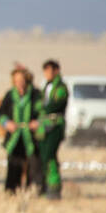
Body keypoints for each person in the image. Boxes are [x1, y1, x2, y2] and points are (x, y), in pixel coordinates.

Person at [0, 66, 42, 192]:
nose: (19, 83)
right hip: (15, 136)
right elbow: (1, 113)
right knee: (14, 166)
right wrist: (7, 123)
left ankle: (33, 192)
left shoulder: (35, 95)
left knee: (33, 166)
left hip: (31, 137)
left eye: (21, 80)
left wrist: (37, 122)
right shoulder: (10, 95)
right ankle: (11, 192)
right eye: (16, 81)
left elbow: (43, 112)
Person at [37, 59, 67, 199]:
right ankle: (47, 188)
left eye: (49, 71)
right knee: (45, 157)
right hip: (44, 127)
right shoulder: (46, 87)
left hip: (55, 126)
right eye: (45, 71)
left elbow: (54, 105)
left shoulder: (61, 87)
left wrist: (41, 110)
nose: (46, 74)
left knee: (50, 156)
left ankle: (54, 189)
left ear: (56, 70)